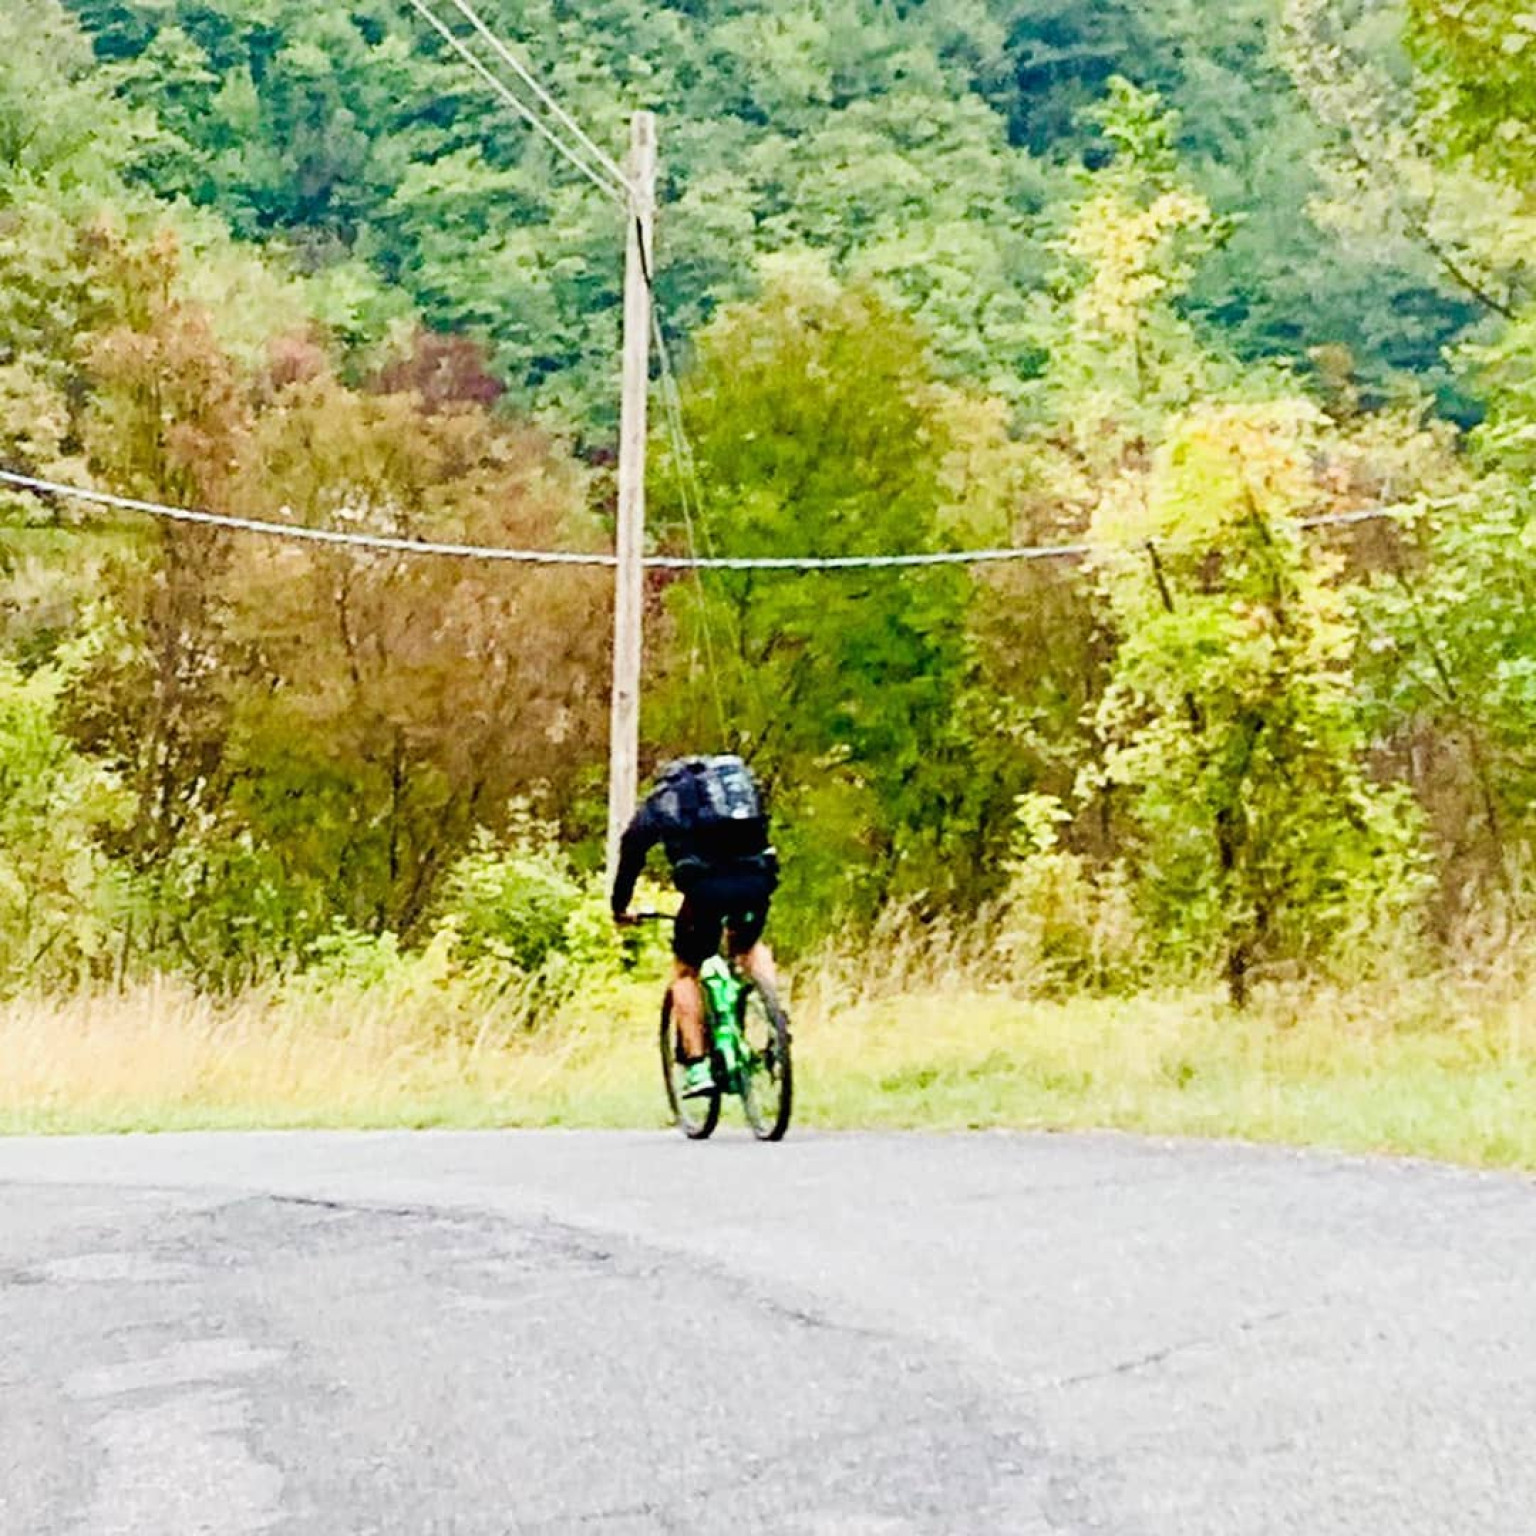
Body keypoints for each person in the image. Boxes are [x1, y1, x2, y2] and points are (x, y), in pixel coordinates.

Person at [611, 755, 779, 1098]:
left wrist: (620, 905)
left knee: (686, 970)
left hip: (705, 892)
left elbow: (632, 850)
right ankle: (776, 1017)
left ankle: (699, 1066)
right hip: (757, 880)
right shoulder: (738, 790)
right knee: (748, 945)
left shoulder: (665, 800)